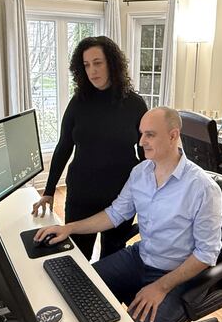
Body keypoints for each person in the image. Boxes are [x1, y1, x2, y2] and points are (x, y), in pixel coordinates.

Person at [34, 107, 222, 322]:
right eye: (141, 133)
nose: (141, 141)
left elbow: (207, 253)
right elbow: (114, 214)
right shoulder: (140, 173)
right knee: (79, 287)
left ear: (173, 136)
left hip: (176, 275)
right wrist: (69, 228)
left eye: (150, 135)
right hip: (140, 257)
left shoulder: (202, 188)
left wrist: (161, 286)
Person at [31, 36, 148, 260]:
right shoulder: (78, 102)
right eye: (86, 65)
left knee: (112, 259)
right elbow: (64, 146)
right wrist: (48, 191)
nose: (92, 71)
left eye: (98, 63)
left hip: (121, 196)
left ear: (112, 64)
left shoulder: (135, 104)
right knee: (76, 257)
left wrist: (150, 192)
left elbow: (145, 154)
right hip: (81, 195)